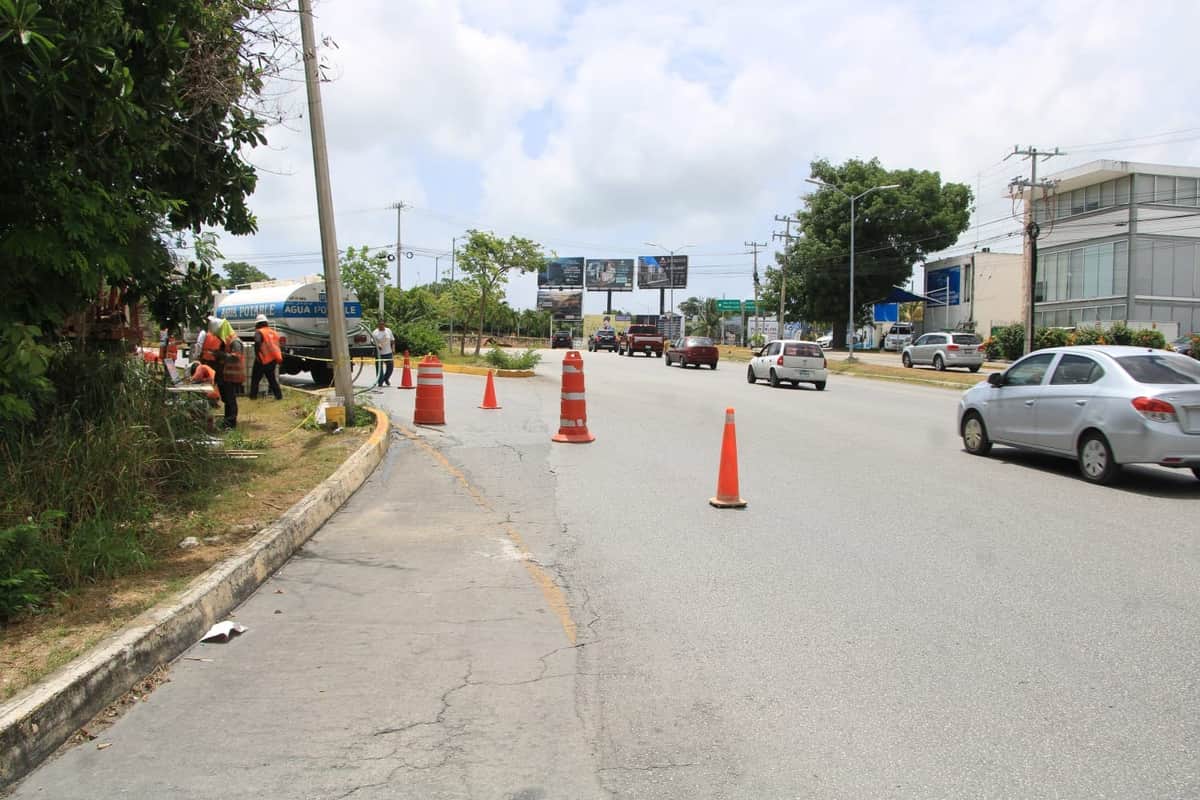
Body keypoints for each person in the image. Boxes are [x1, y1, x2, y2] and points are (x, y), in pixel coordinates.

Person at [249, 314, 283, 400]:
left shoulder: (259, 332)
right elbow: (278, 346)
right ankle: (279, 396)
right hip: (273, 360)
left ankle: (253, 397)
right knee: (272, 379)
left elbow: (257, 343)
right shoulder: (273, 332)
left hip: (262, 360)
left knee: (255, 380)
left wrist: (257, 356)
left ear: (258, 324)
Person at [372, 319, 395, 387]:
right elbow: (372, 341)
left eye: (383, 324)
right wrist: (378, 345)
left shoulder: (388, 331)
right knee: (379, 369)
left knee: (390, 367)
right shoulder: (375, 332)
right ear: (378, 325)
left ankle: (386, 378)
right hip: (379, 354)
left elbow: (393, 340)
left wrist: (393, 348)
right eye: (380, 324)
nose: (381, 326)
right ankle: (380, 382)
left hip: (388, 352)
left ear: (384, 325)